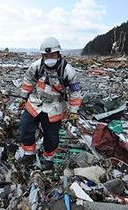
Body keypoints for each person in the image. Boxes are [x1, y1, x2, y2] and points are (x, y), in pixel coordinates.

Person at [18, 37, 82, 169]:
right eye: (46, 55)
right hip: (36, 103)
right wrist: (23, 97)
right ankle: (29, 153)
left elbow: (75, 92)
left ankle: (48, 158)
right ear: (42, 55)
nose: (49, 58)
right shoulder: (36, 66)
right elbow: (28, 81)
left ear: (58, 54)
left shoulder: (68, 71)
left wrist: (74, 111)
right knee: (25, 127)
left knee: (51, 137)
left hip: (55, 108)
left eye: (52, 54)